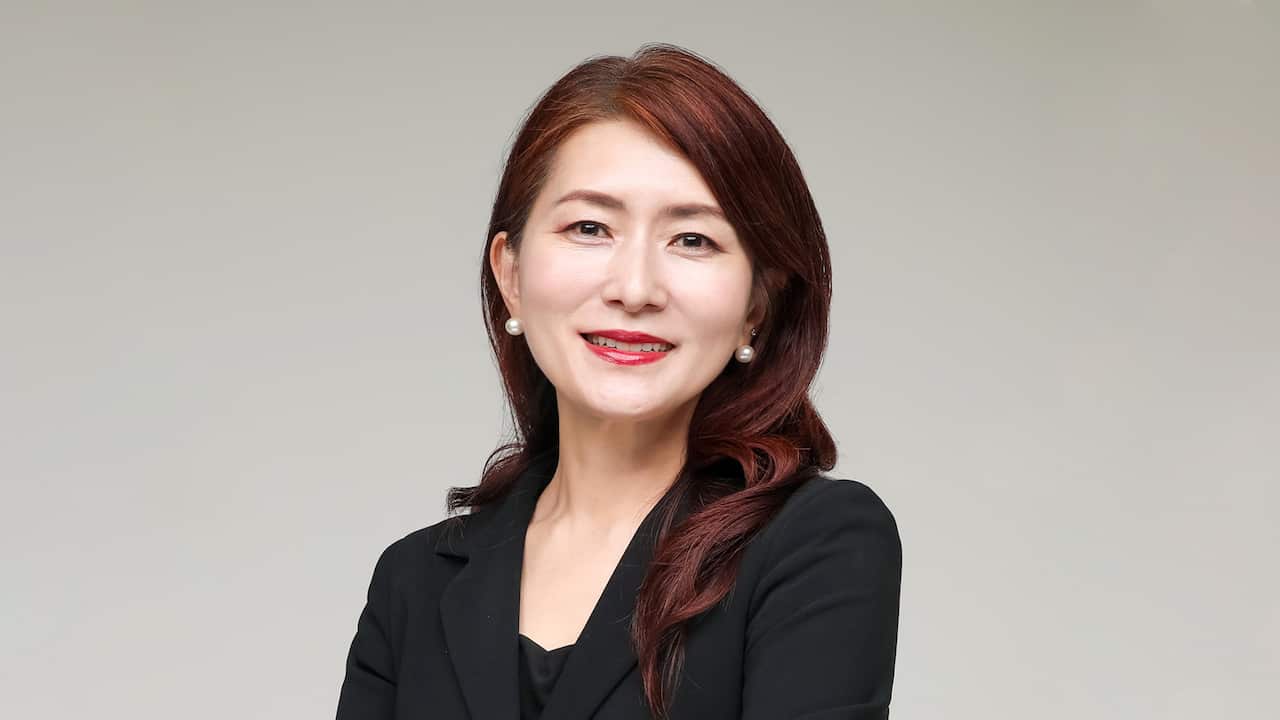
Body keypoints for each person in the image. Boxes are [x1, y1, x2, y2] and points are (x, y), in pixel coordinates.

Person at [335, 42, 902, 720]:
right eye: (590, 227)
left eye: (693, 239)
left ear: (758, 304)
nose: (635, 288)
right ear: (510, 276)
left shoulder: (817, 545)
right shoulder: (414, 582)